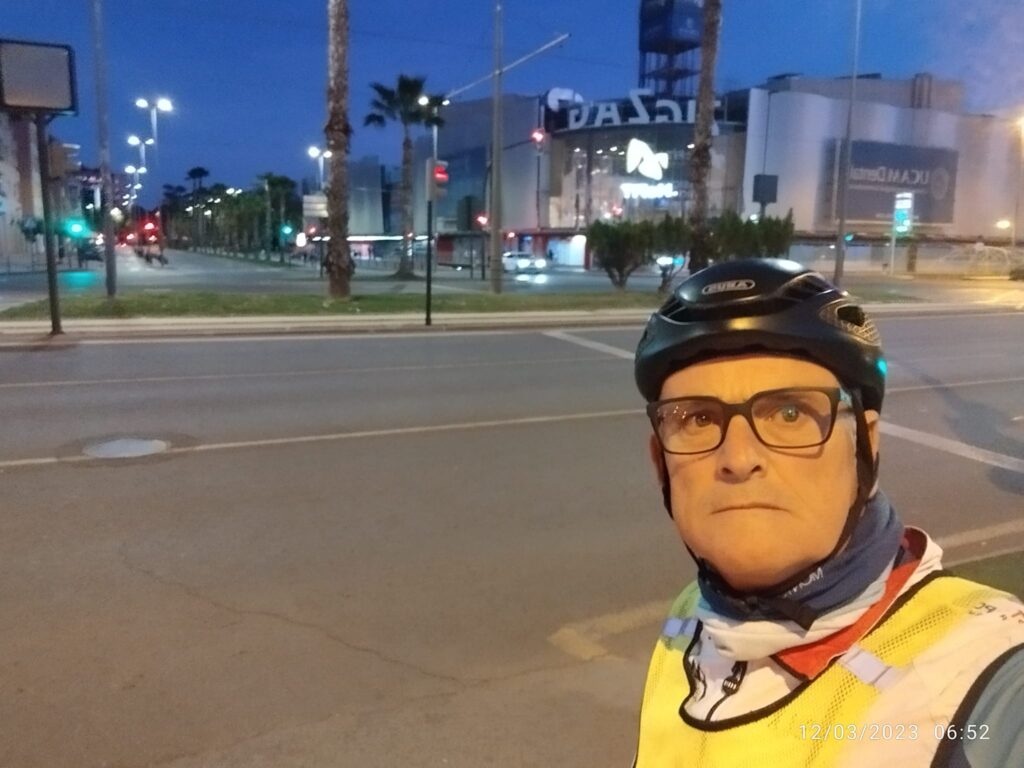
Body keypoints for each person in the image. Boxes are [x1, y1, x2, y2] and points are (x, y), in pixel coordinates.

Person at [631, 258, 1024, 767]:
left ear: (865, 444)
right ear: (659, 462)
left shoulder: (989, 673)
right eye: (698, 419)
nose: (738, 458)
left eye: (790, 412)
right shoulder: (692, 615)